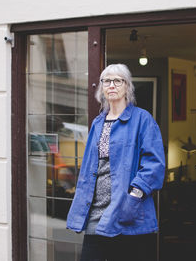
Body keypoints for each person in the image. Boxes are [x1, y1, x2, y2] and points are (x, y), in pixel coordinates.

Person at [66, 64, 165, 261]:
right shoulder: (98, 123)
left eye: (117, 80)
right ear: (101, 87)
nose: (111, 85)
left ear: (127, 87)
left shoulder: (142, 119)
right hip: (96, 213)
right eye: (106, 81)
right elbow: (91, 166)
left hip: (126, 213)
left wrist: (133, 197)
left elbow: (155, 165)